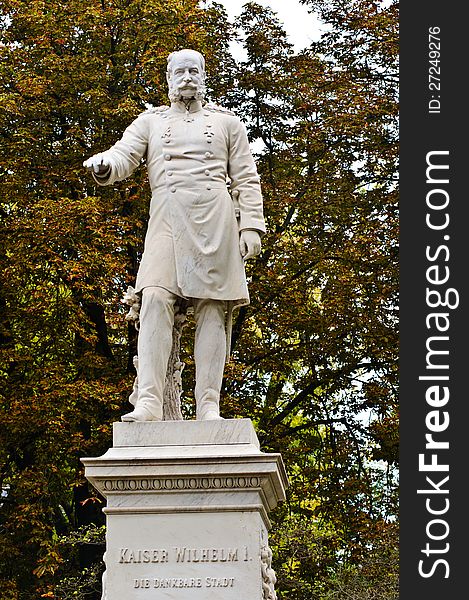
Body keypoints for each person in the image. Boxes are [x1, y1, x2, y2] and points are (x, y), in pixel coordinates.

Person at [83, 49, 265, 422]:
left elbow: (247, 178)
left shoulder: (228, 124)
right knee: (153, 298)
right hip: (166, 217)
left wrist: (251, 225)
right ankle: (149, 401)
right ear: (168, 78)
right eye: (180, 71)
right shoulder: (150, 122)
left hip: (215, 219)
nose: (187, 77)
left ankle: (209, 405)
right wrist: (104, 165)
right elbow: (123, 156)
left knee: (213, 307)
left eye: (194, 71)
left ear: (203, 76)